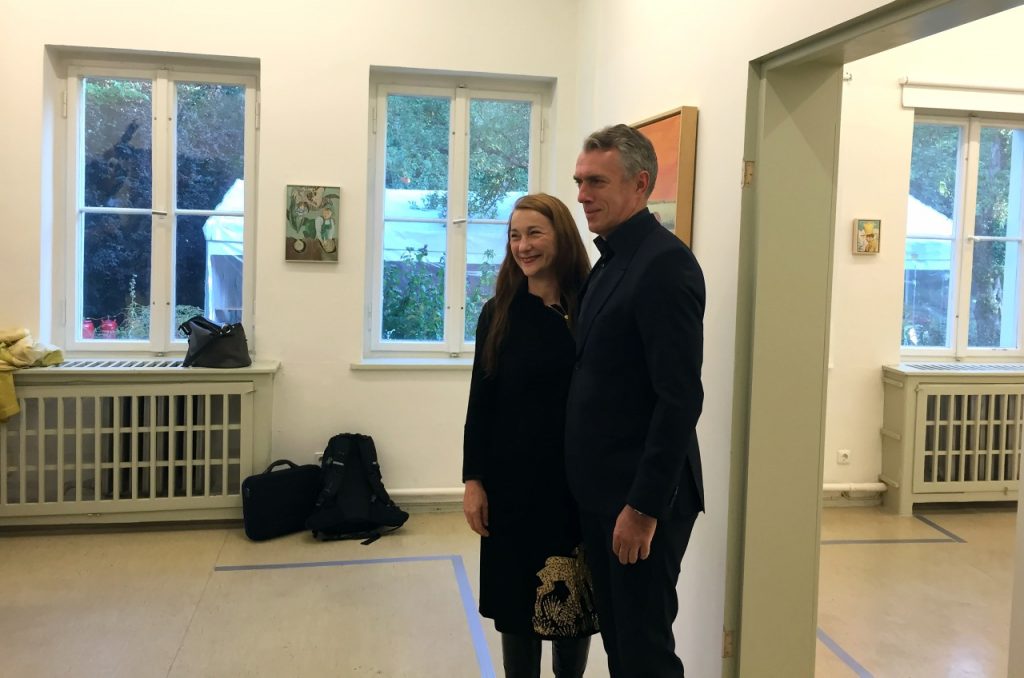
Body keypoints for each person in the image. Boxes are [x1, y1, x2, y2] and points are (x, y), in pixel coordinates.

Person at [565, 124, 706, 677]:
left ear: (640, 184)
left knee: (644, 652)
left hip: (641, 501)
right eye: (579, 181)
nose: (582, 195)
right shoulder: (612, 258)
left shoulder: (664, 265)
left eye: (596, 182)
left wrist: (643, 509)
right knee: (622, 646)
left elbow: (679, 399)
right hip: (604, 493)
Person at [463, 193, 597, 678]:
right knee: (518, 607)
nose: (523, 246)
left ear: (562, 237)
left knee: (572, 608)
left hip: (573, 487)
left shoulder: (590, 308)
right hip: (512, 489)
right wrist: (474, 480)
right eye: (515, 236)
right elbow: (481, 404)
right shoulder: (498, 312)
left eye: (534, 233)